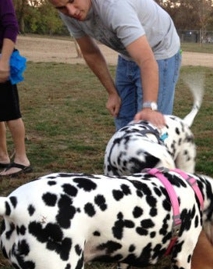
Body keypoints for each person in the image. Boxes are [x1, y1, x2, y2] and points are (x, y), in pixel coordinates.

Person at [49, 0, 182, 130]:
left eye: (72, 1)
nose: (71, 11)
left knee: (151, 127)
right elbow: (90, 53)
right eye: (61, 7)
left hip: (160, 50)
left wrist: (149, 107)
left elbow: (146, 60)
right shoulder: (67, 13)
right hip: (127, 53)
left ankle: (159, 149)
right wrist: (112, 93)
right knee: (123, 120)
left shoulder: (115, 6)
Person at [0, 0, 32, 177]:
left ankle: (22, 160)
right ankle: (2, 156)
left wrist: (3, 62)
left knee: (11, 112)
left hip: (1, 59)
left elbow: (11, 27)